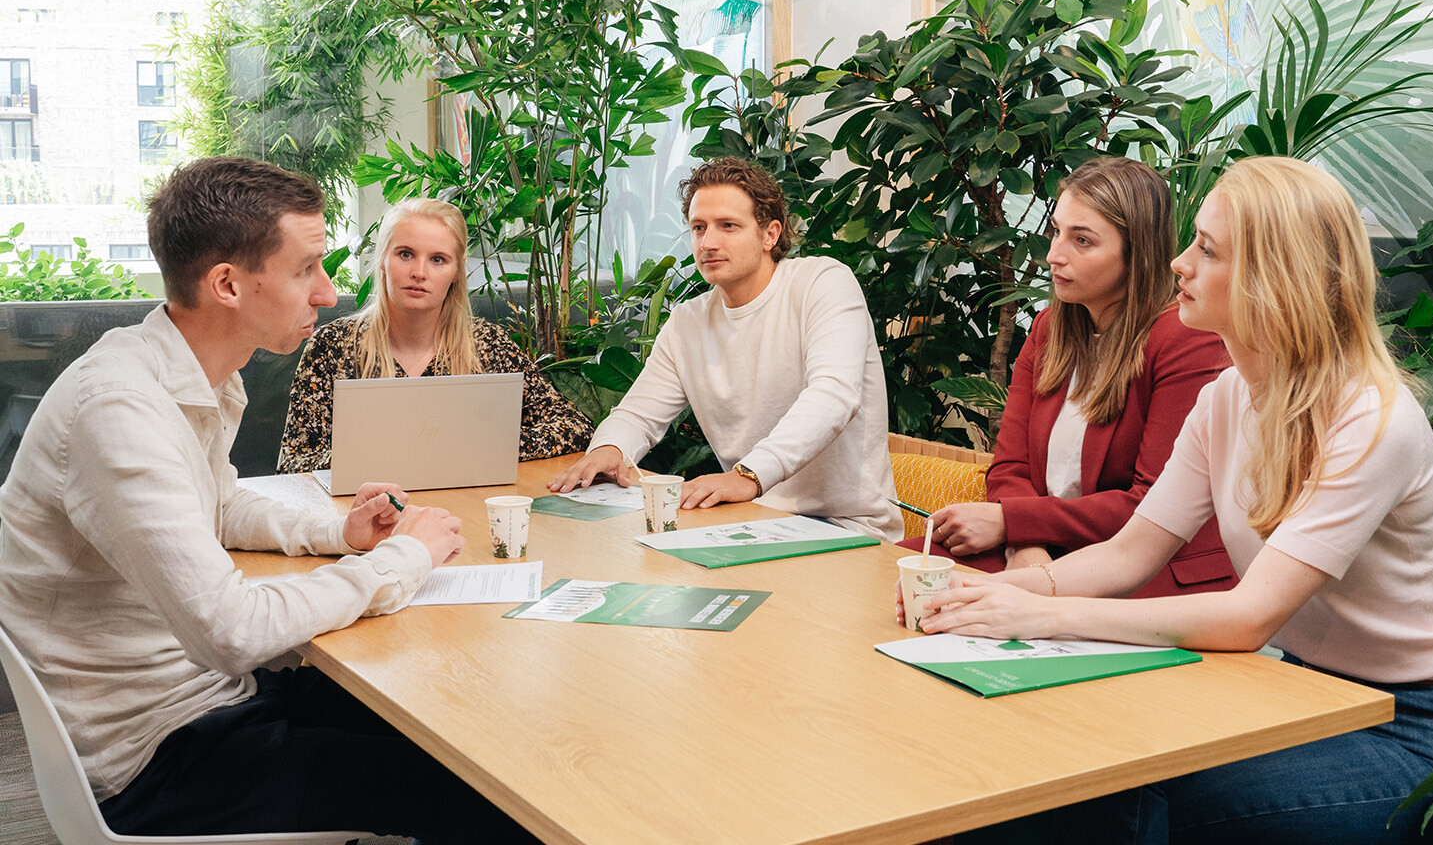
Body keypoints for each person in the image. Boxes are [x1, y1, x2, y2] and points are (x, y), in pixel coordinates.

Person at [915, 156, 1433, 844]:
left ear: (1273, 279)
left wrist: (1038, 611)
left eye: (1208, 250)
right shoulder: (1226, 399)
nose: (1178, 265)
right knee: (1072, 762)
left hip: (1426, 733)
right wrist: (1004, 593)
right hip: (1301, 691)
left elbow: (1248, 618)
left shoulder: (1372, 418)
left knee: (1127, 799)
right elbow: (1133, 551)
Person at [0, 157, 531, 842]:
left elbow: (219, 507)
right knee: (490, 794)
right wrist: (400, 561)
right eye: (307, 268)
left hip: (212, 702)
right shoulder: (118, 410)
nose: (329, 292)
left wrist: (344, 531)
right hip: (162, 760)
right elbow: (232, 631)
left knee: (465, 722)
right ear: (227, 284)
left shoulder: (185, 376)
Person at [900, 157, 1235, 597]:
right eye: (1057, 231)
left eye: (1082, 241)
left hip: (1145, 570)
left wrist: (1012, 523)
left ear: (1137, 253)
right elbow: (1010, 466)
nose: (1055, 255)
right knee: (902, 572)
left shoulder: (1185, 338)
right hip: (1043, 549)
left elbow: (1151, 503)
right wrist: (1027, 543)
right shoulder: (1049, 328)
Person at [547, 156, 900, 540]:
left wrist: (749, 475)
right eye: (698, 228)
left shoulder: (823, 283)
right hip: (750, 521)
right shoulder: (688, 323)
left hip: (846, 529)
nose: (708, 243)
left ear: (770, 235)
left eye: (728, 226)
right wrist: (609, 450)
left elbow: (834, 395)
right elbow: (638, 415)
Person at [278, 197, 593, 474]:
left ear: (456, 271)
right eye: (405, 254)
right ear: (383, 261)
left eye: (438, 259)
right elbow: (293, 462)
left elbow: (575, 428)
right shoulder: (332, 346)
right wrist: (408, 456)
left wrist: (483, 449)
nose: (419, 272)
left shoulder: (490, 345)